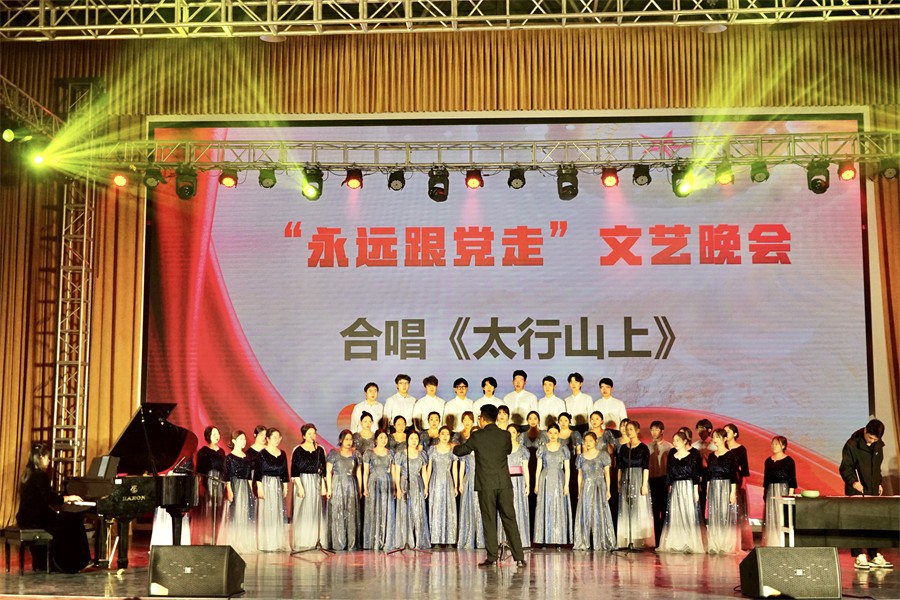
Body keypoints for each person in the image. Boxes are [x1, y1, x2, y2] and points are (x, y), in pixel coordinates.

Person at [453, 404, 527, 568]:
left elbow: (461, 451)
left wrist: (454, 446)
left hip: (486, 485)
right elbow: (508, 451)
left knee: (489, 520)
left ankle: (492, 557)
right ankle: (519, 557)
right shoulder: (505, 435)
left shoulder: (477, 436)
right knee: (510, 519)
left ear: (483, 419)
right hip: (504, 484)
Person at [16, 444, 91, 573]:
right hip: (38, 518)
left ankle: (44, 563)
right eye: (47, 458)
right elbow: (50, 498)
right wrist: (68, 498)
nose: (49, 461)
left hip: (26, 517)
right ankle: (72, 563)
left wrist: (62, 500)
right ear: (41, 457)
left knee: (67, 521)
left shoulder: (27, 475)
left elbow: (42, 498)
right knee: (75, 522)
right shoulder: (40, 475)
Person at [839, 419, 892, 570]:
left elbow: (877, 467)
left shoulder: (878, 445)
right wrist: (853, 482)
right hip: (857, 487)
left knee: (874, 521)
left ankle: (874, 554)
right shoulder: (852, 444)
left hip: (873, 489)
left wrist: (879, 482)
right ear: (865, 431)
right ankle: (859, 555)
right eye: (870, 438)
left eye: (875, 439)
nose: (871, 442)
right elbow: (845, 467)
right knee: (857, 521)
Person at [657, 430, 704, 553]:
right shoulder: (672, 456)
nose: (675, 443)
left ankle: (689, 542)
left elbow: (695, 474)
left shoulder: (692, 456)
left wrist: (695, 491)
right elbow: (669, 473)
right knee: (676, 514)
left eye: (678, 440)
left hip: (687, 487)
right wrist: (670, 487)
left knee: (687, 514)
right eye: (674, 440)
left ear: (684, 441)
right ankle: (676, 542)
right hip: (676, 488)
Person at [573, 431, 615, 551]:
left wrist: (608, 490)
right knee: (586, 513)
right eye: (586, 441)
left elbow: (607, 474)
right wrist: (579, 491)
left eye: (590, 440)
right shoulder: (581, 457)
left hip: (599, 486)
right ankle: (585, 541)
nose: (588, 443)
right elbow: (580, 475)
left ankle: (601, 541)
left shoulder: (603, 455)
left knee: (600, 512)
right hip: (586, 487)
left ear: (596, 441)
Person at [617, 420, 654, 549]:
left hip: (638, 478)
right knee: (626, 508)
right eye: (627, 429)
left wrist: (644, 484)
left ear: (637, 431)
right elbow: (620, 467)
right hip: (626, 479)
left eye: (631, 429)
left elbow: (645, 467)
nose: (628, 432)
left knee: (638, 507)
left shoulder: (643, 448)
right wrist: (619, 482)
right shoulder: (623, 448)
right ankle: (627, 539)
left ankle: (638, 540)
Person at [533, 423, 572, 546]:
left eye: (555, 433)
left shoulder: (564, 449)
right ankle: (543, 539)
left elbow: (567, 468)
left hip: (559, 479)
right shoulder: (542, 449)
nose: (553, 435)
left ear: (558, 433)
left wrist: (566, 485)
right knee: (545, 506)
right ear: (547, 434)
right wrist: (536, 484)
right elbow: (538, 468)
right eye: (550, 433)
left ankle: (558, 539)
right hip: (545, 479)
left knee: (558, 507)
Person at [290, 423, 326, 552]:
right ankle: (302, 541)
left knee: (315, 510)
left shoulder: (320, 450)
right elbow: (294, 471)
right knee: (302, 511)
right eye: (309, 433)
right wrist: (300, 487)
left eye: (314, 433)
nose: (312, 436)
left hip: (316, 481)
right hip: (303, 481)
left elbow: (323, 470)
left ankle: (315, 540)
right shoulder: (298, 450)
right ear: (304, 436)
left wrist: (324, 485)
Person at [393, 430, 430, 549]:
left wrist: (426, 487)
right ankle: (406, 540)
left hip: (418, 484)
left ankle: (419, 540)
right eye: (411, 438)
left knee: (418, 511)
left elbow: (424, 472)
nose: (414, 441)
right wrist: (398, 489)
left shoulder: (422, 454)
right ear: (407, 440)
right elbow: (397, 473)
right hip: (405, 483)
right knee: (405, 511)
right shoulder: (401, 454)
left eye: (416, 439)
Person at [222, 430, 258, 555]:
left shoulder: (247, 457)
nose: (244, 441)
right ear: (234, 441)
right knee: (235, 514)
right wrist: (229, 490)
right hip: (234, 486)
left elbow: (249, 477)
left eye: (244, 439)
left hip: (245, 487)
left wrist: (251, 491)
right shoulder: (229, 458)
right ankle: (234, 542)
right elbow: (226, 476)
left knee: (246, 514)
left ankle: (244, 541)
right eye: (241, 439)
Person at [254, 427, 290, 552]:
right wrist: (260, 488)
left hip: (278, 485)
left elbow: (285, 472)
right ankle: (267, 543)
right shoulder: (261, 454)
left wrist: (285, 486)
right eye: (274, 437)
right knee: (267, 513)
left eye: (278, 437)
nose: (277, 440)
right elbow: (258, 473)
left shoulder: (282, 453)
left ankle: (277, 542)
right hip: (266, 484)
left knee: (277, 513)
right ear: (268, 439)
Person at [326, 429, 362, 551]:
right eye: (346, 439)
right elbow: (328, 471)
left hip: (351, 484)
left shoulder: (356, 454)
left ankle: (351, 543)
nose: (349, 442)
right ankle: (339, 543)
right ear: (341, 440)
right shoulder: (334, 453)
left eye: (351, 439)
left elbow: (358, 472)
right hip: (337, 484)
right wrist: (329, 489)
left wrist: (360, 488)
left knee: (351, 513)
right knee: (339, 512)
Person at [362, 429, 396, 551]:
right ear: (376, 439)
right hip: (374, 481)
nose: (384, 440)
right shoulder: (369, 453)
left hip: (387, 482)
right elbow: (366, 472)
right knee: (373, 509)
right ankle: (373, 541)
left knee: (386, 509)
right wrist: (365, 487)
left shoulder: (391, 453)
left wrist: (394, 487)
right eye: (381, 437)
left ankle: (386, 539)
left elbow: (393, 471)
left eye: (385, 437)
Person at [706, 428, 739, 554]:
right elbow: (709, 475)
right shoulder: (711, 456)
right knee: (714, 515)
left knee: (724, 514)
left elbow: (733, 475)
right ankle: (714, 544)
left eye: (718, 437)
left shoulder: (730, 455)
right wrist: (708, 491)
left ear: (724, 439)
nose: (714, 439)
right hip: (714, 486)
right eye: (713, 437)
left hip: (725, 486)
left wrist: (732, 492)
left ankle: (725, 544)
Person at [761, 435, 796, 547]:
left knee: (782, 516)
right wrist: (765, 492)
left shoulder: (789, 461)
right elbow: (766, 479)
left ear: (783, 446)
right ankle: (772, 542)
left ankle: (782, 542)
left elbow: (792, 479)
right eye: (772, 444)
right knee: (771, 515)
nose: (773, 446)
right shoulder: (768, 461)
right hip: (771, 491)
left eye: (777, 444)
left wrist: (790, 494)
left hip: (783, 490)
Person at [456, 412, 485, 550]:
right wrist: (460, 483)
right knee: (468, 509)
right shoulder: (466, 450)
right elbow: (462, 467)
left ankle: (482, 540)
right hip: (469, 481)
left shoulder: (485, 450)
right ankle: (467, 539)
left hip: (482, 481)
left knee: (481, 509)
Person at [194, 425, 227, 545]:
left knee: (219, 508)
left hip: (220, 482)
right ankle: (207, 537)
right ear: (208, 436)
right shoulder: (203, 452)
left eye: (218, 434)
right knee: (208, 508)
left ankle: (216, 536)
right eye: (214, 434)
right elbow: (200, 471)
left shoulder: (222, 451)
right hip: (208, 481)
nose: (217, 436)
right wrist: (201, 485)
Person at [426, 425, 459, 546]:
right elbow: (429, 467)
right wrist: (426, 485)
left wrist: (456, 485)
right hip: (435, 480)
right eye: (443, 434)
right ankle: (435, 540)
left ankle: (450, 540)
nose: (445, 436)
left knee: (449, 508)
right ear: (439, 435)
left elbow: (454, 468)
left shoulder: (452, 450)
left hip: (448, 480)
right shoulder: (432, 449)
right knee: (436, 508)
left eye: (447, 434)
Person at [502, 423, 531, 549]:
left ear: (518, 434)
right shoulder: (502, 449)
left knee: (518, 509)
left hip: (518, 482)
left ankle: (520, 541)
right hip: (505, 481)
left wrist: (528, 485)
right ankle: (505, 539)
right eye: (509, 432)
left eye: (513, 432)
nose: (511, 435)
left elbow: (525, 469)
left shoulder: (523, 450)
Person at [723, 423, 752, 550]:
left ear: (735, 434)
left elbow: (745, 469)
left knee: (738, 511)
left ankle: (739, 541)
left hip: (737, 481)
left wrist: (743, 484)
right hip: (723, 482)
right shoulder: (721, 447)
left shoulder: (741, 449)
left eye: (728, 431)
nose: (725, 433)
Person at [648, 420, 673, 546]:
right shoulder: (648, 447)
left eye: (656, 429)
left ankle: (665, 539)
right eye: (652, 430)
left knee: (665, 510)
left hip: (664, 480)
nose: (654, 432)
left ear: (662, 431)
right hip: (652, 480)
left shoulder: (669, 447)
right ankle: (657, 540)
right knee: (654, 510)